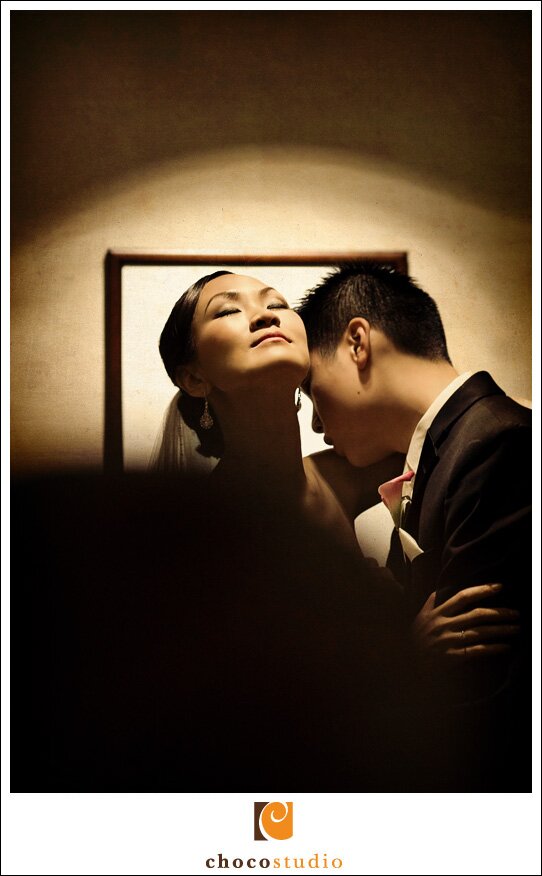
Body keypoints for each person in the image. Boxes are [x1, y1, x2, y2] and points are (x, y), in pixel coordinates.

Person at [154, 268, 520, 790]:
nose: (263, 314)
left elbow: (457, 424)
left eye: (277, 303)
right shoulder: (208, 528)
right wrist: (406, 658)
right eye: (228, 310)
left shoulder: (339, 475)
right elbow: (233, 709)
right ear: (193, 378)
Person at [296, 261, 531, 790]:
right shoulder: (454, 448)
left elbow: (479, 673)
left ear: (358, 343)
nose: (315, 423)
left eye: (310, 389)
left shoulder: (496, 444)